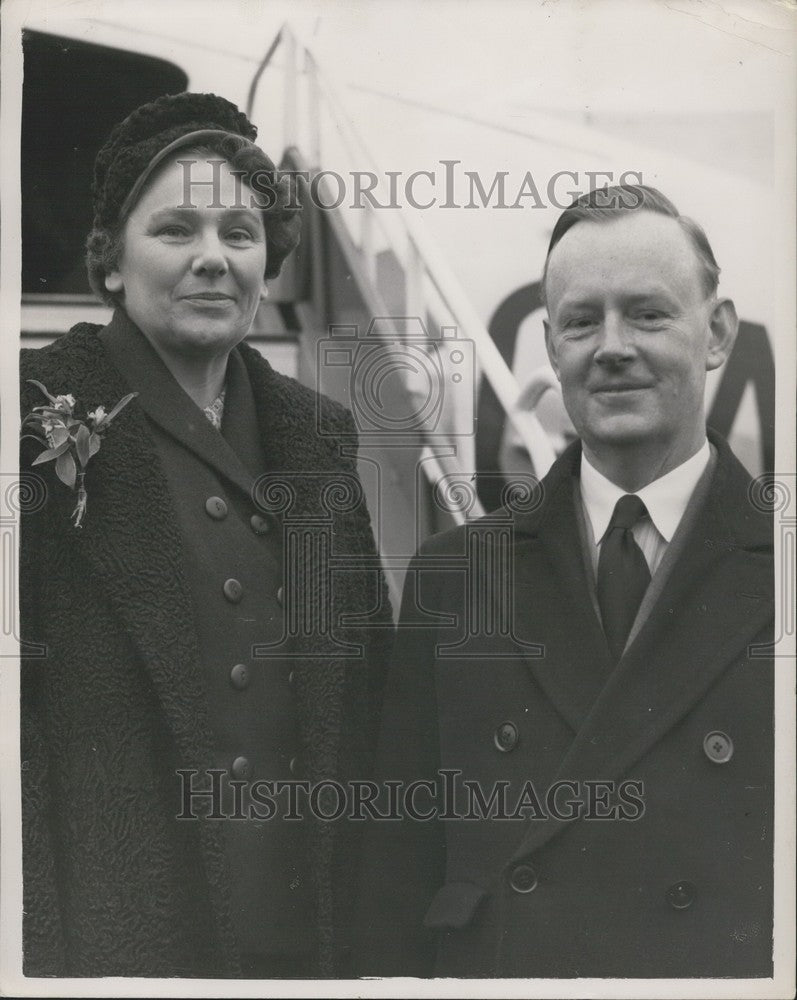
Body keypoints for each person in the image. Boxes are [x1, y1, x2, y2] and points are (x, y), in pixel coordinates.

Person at [356, 184, 774, 978]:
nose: (611, 346)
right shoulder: (453, 579)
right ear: (551, 348)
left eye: (647, 313)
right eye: (581, 321)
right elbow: (395, 881)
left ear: (715, 332)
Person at [19, 92, 392, 978]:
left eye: (239, 233)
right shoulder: (30, 415)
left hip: (303, 929)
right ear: (110, 261)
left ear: (268, 262)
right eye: (176, 230)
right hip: (118, 922)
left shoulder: (318, 431)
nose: (212, 260)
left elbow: (368, 681)